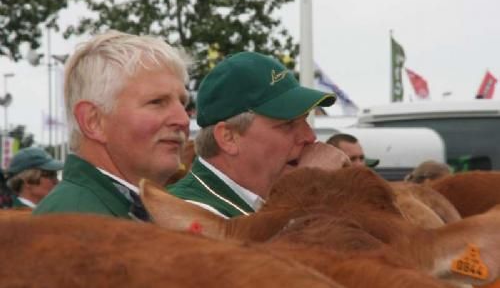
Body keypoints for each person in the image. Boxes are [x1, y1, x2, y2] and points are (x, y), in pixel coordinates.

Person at [168, 51, 350, 218]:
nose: (309, 136)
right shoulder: (188, 212)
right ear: (228, 137)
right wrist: (307, 189)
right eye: (288, 124)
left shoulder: (252, 204)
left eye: (305, 120)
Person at [34, 30, 190, 220]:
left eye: (183, 103)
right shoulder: (73, 224)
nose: (183, 120)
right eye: (157, 102)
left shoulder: (119, 211)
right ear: (93, 122)